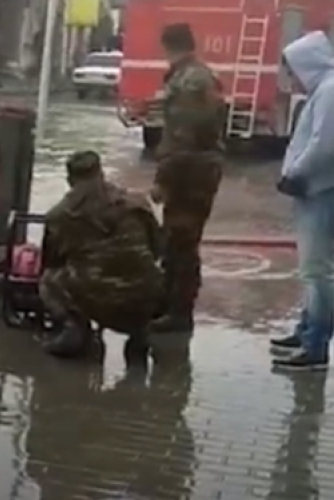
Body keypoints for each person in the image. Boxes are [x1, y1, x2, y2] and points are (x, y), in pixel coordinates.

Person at [39, 151, 164, 361]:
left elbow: (50, 260)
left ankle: (74, 327)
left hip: (99, 301)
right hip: (148, 298)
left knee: (48, 280)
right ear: (101, 173)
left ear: (70, 180)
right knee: (143, 272)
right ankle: (139, 334)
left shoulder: (59, 216)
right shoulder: (136, 202)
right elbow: (157, 248)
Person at [148, 23, 224, 334]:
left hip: (189, 172)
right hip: (197, 168)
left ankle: (178, 313)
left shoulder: (188, 81)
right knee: (178, 241)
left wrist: (162, 180)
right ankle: (172, 306)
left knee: (181, 243)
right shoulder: (199, 75)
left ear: (168, 45)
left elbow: (183, 138)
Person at [270, 31, 334, 370]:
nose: (291, 77)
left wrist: (295, 175)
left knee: (317, 271)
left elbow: (324, 145)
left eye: (293, 69)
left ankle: (315, 346)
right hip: (317, 189)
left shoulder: (329, 91)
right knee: (314, 270)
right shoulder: (324, 90)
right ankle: (307, 330)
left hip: (321, 191)